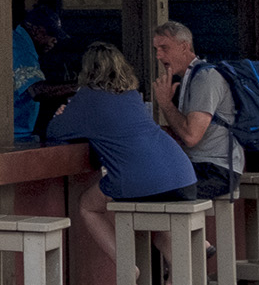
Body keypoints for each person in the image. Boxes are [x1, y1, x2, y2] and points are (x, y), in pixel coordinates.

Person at [46, 41, 200, 269]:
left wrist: (60, 114)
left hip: (143, 181)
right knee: (162, 227)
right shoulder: (132, 97)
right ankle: (178, 282)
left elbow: (53, 132)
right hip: (184, 176)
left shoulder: (87, 98)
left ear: (86, 70)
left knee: (88, 206)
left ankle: (127, 269)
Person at [151, 21, 240, 199]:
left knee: (148, 190)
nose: (159, 56)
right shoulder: (188, 78)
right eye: (156, 49)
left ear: (184, 47)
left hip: (216, 170)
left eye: (164, 48)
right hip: (198, 166)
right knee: (146, 183)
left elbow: (191, 136)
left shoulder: (205, 79)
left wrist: (166, 104)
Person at [13, 6, 72, 142]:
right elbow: (37, 90)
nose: (55, 40)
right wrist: (80, 87)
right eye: (51, 33)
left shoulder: (20, 42)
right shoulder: (21, 48)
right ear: (34, 30)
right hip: (14, 134)